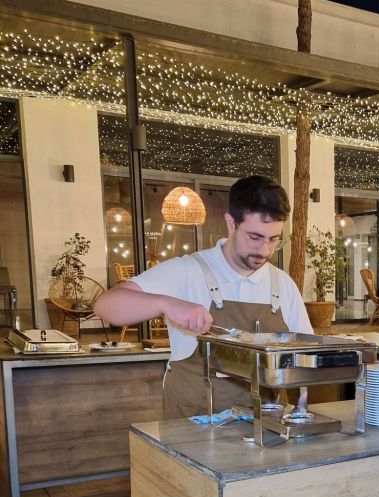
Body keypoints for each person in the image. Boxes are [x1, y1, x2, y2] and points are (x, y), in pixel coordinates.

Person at [94, 174, 312, 418]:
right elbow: (106, 306)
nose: (264, 250)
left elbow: (305, 357)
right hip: (191, 427)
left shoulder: (282, 284)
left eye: (273, 240)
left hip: (264, 427)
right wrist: (166, 303)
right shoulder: (187, 270)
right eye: (255, 237)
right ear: (231, 223)